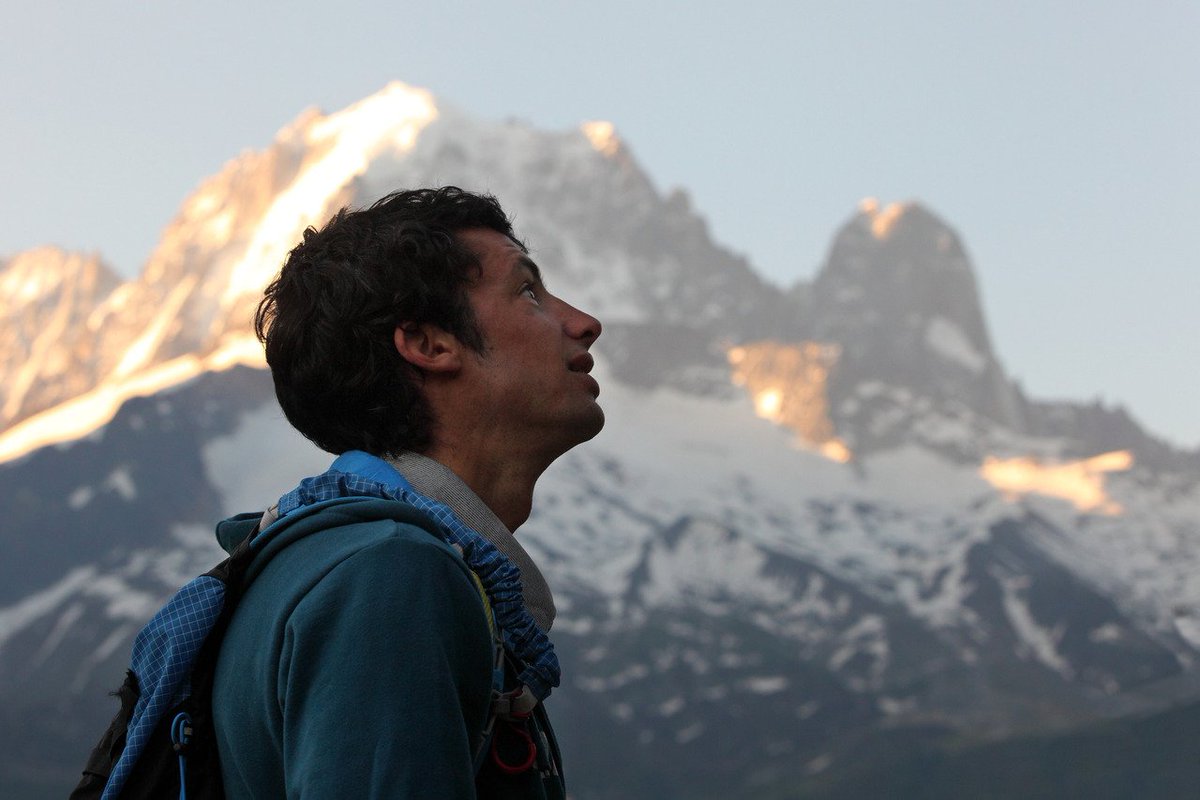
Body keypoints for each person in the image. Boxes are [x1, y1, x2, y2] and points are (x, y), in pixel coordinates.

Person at [210, 187, 603, 798]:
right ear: (428, 344)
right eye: (528, 290)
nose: (584, 322)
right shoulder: (391, 573)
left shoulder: (338, 557)